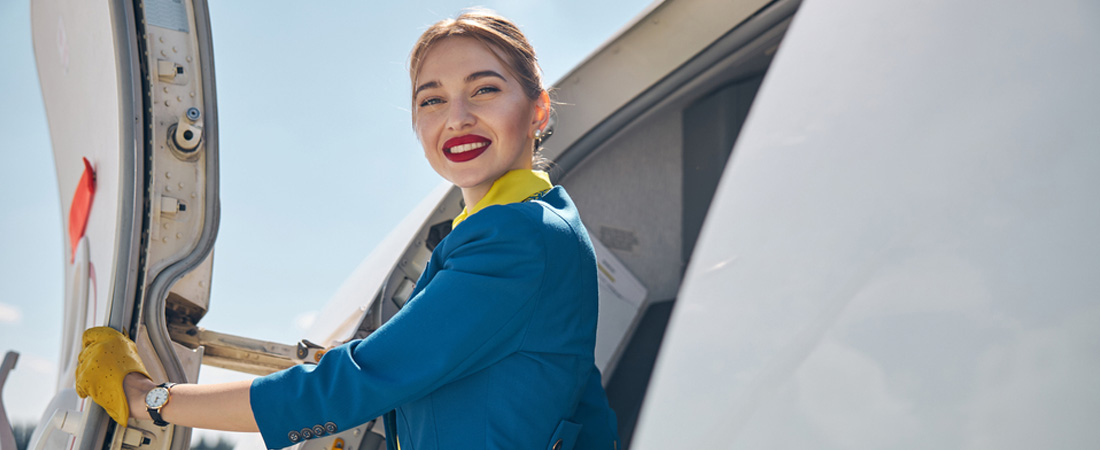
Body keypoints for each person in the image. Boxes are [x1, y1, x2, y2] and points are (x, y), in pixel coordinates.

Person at [75, 9, 620, 450]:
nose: (456, 118)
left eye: (484, 90)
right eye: (431, 99)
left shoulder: (518, 240)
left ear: (538, 112)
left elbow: (357, 382)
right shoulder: (538, 226)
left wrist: (147, 396)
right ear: (415, 122)